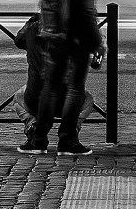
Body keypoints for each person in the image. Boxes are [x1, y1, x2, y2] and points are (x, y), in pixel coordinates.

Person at [19, 0, 105, 156]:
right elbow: (87, 8)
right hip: (77, 35)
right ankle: (67, 140)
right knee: (75, 88)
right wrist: (97, 41)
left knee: (50, 87)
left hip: (52, 33)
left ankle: (38, 140)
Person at [12, 13, 93, 143]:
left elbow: (18, 41)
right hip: (67, 103)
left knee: (18, 97)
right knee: (88, 99)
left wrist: (32, 21)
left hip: (36, 101)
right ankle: (72, 130)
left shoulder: (32, 29)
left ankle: (32, 126)